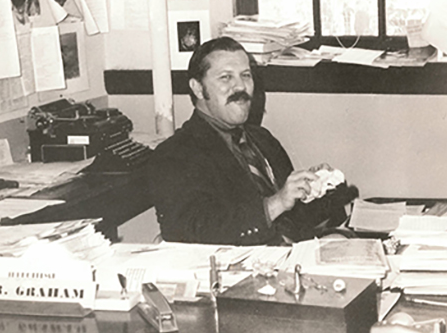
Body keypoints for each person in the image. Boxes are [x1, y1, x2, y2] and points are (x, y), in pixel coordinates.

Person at [147, 36, 357, 245]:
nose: (241, 87)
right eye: (226, 78)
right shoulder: (174, 155)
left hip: (294, 255)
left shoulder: (262, 140)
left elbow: (294, 221)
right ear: (198, 88)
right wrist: (276, 203)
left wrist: (315, 189)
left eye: (246, 75)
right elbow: (189, 230)